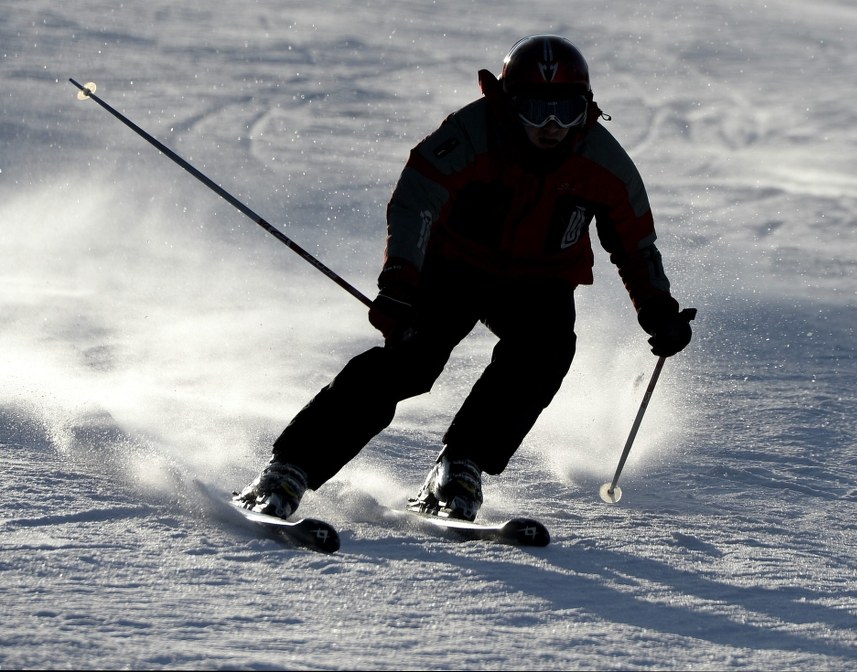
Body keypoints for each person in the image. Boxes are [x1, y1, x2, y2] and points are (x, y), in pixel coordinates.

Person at [235, 34, 695, 522]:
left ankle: (460, 464)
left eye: (567, 110)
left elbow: (635, 246)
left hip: (540, 280)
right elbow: (416, 199)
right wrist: (400, 283)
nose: (552, 126)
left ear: (587, 107)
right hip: (454, 267)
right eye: (535, 109)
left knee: (544, 351)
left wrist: (657, 310)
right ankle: (290, 467)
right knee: (411, 359)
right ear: (509, 103)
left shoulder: (603, 163)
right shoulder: (474, 133)